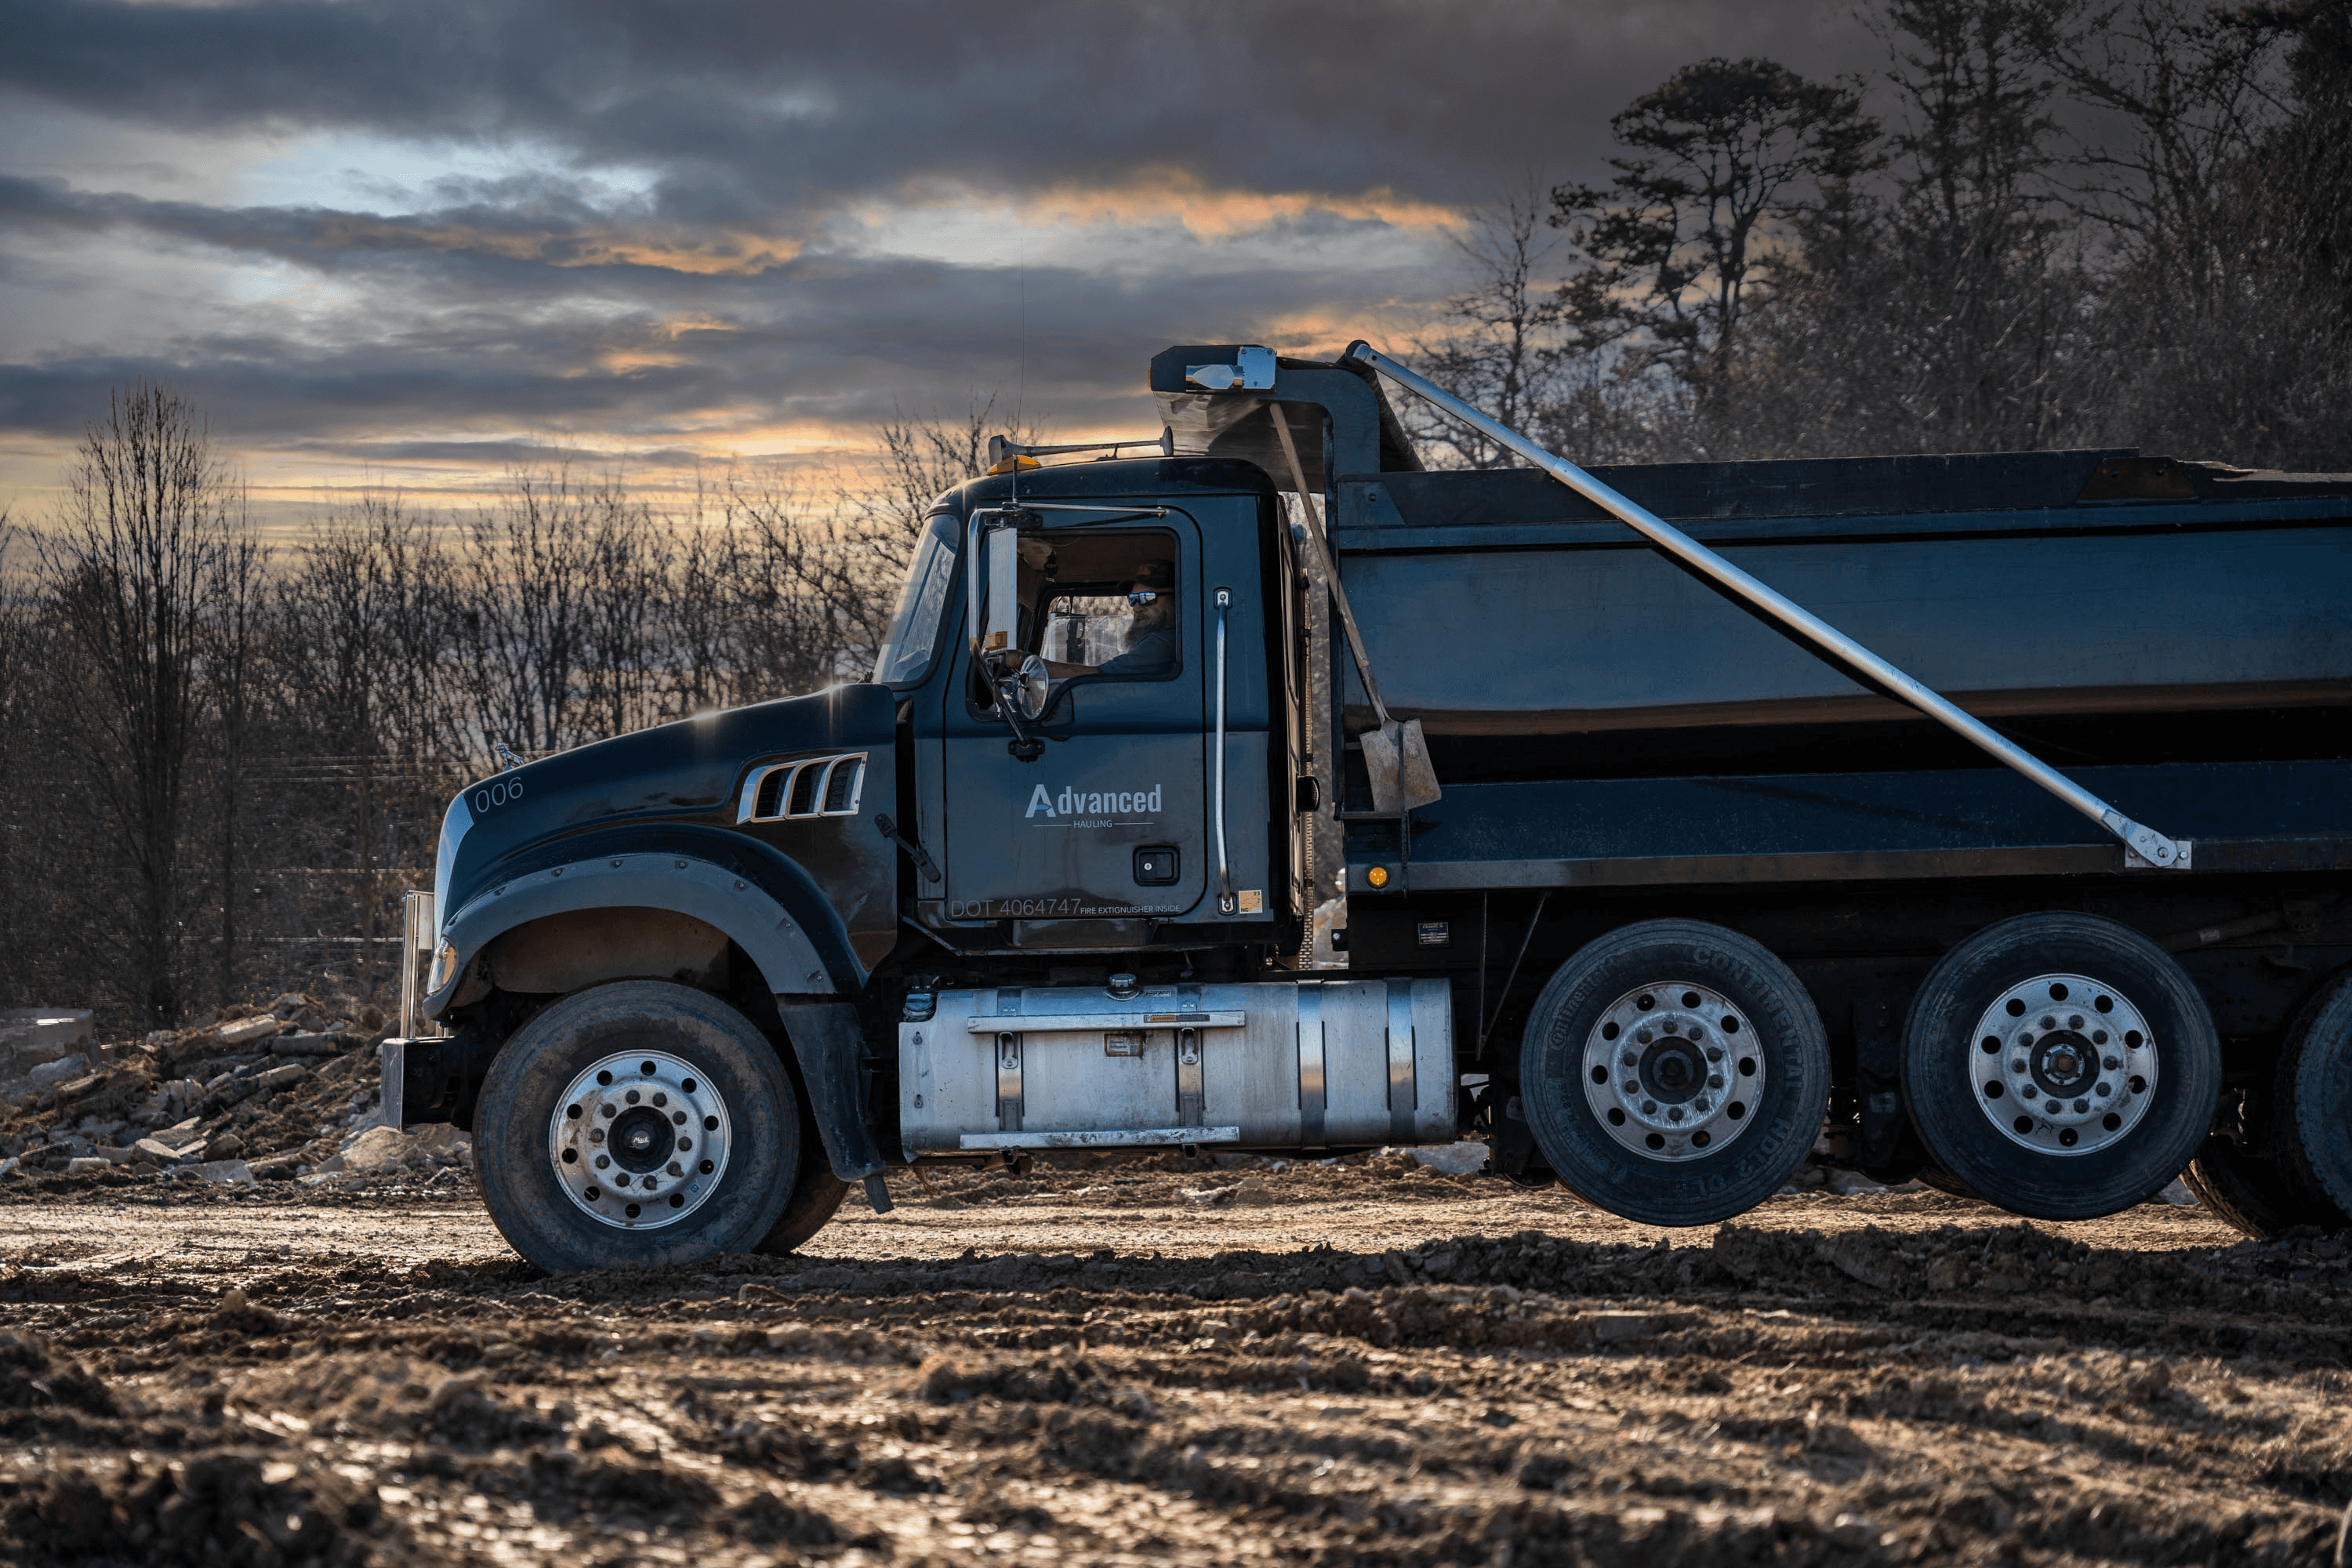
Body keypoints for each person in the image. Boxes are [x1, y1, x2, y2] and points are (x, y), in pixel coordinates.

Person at [1097, 560, 1178, 677]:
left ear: (1175, 599)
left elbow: (1101, 676)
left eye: (1147, 597)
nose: (1137, 608)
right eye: (1133, 598)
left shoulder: (1165, 641)